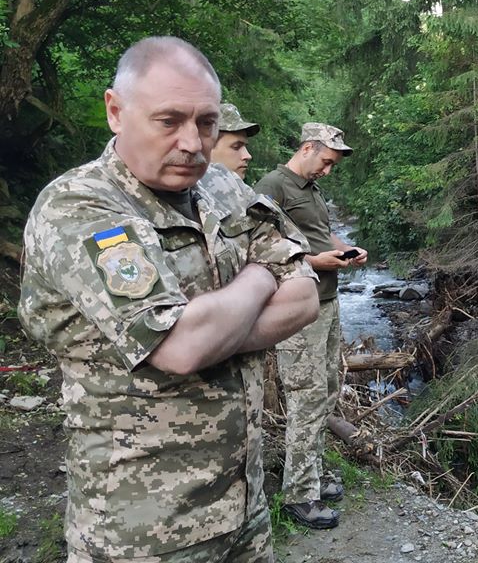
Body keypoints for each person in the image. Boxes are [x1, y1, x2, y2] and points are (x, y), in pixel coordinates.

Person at [18, 37, 320, 563]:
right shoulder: (80, 207)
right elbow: (180, 347)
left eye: (206, 123)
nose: (192, 142)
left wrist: (212, 329)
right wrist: (257, 277)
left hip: (245, 510)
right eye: (168, 121)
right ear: (116, 111)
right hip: (144, 530)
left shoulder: (224, 187)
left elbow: (306, 296)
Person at [254, 123, 367, 530]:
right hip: (299, 306)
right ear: (307, 148)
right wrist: (313, 262)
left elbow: (320, 234)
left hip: (328, 299)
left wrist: (343, 250)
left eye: (332, 165)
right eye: (326, 161)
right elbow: (260, 244)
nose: (328, 170)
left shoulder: (311, 188)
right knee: (306, 394)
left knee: (325, 389)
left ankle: (312, 476)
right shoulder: (273, 185)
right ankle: (300, 497)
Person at [211, 102, 260, 180]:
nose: (248, 156)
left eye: (245, 147)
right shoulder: (192, 190)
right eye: (236, 147)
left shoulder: (240, 190)